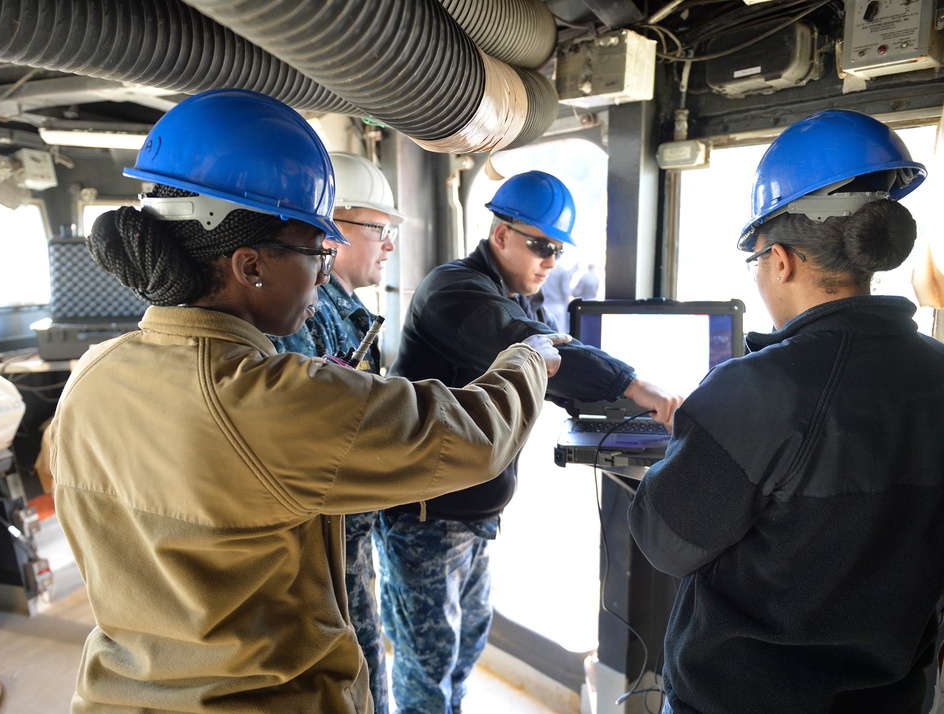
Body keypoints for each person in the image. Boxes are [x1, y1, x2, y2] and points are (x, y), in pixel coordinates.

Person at [47, 88, 569, 714]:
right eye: (316, 251)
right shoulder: (270, 397)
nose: (326, 273)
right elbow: (475, 438)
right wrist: (530, 358)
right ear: (250, 265)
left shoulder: (92, 373)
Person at [627, 109, 944, 714]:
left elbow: (665, 542)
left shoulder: (754, 389)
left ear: (781, 260)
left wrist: (689, 442)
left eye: (757, 262)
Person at [380, 169, 683, 714]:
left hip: (470, 514)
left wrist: (645, 410)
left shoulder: (519, 295)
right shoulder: (458, 292)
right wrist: (633, 384)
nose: (551, 260)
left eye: (558, 249)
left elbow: (553, 380)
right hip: (424, 516)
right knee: (426, 665)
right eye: (541, 245)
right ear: (500, 236)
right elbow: (533, 351)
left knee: (464, 645)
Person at [269, 151, 404, 714]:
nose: (389, 246)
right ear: (333, 228)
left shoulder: (340, 309)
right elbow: (308, 435)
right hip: (323, 547)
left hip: (349, 532)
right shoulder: (304, 312)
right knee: (351, 670)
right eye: (380, 229)